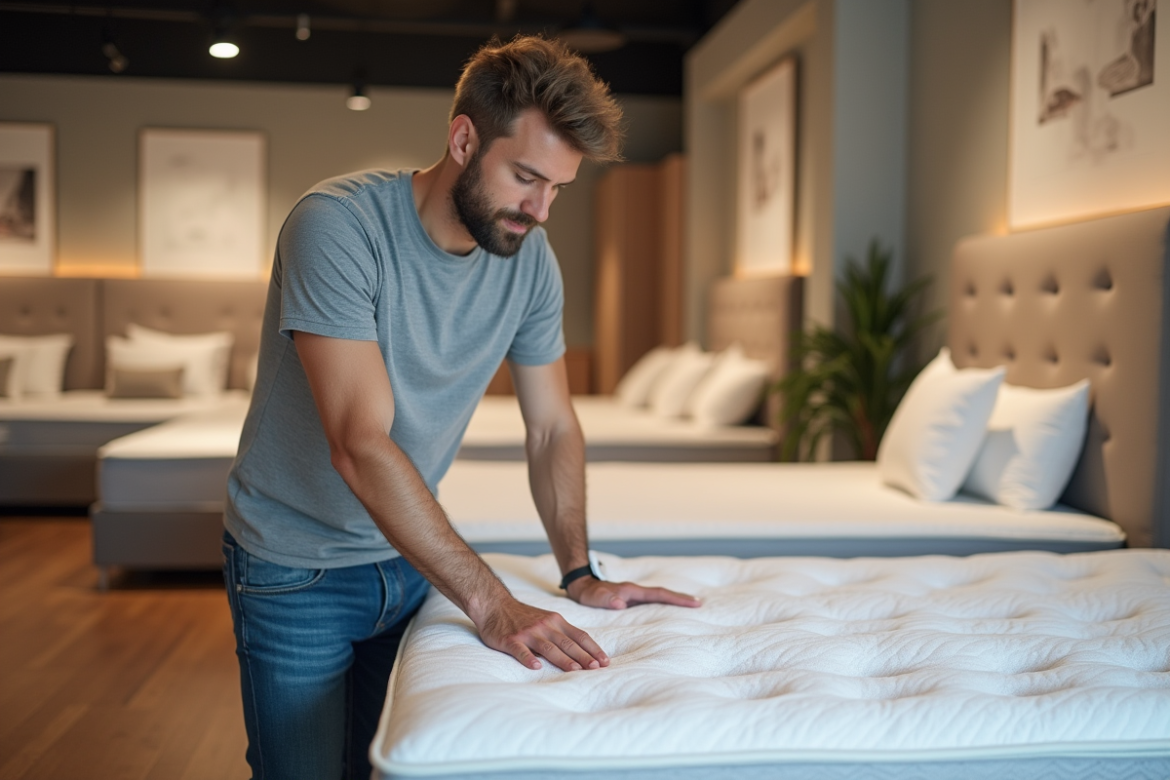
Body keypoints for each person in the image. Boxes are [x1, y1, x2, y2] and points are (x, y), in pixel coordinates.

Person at [221, 34, 701, 780]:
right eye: (525, 178)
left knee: (393, 769)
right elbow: (359, 442)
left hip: (411, 561)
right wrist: (490, 601)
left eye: (558, 189)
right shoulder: (338, 227)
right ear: (463, 138)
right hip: (296, 569)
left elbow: (551, 426)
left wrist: (580, 571)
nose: (540, 210)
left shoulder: (529, 261)